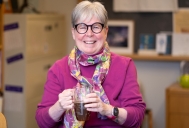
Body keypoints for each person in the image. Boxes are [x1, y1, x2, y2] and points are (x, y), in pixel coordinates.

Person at [35, 0, 146, 128]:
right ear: (73, 33)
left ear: (105, 31)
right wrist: (59, 106)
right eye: (82, 27)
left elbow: (137, 118)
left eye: (96, 27)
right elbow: (42, 122)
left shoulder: (125, 65)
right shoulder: (58, 69)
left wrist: (107, 110)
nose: (89, 34)